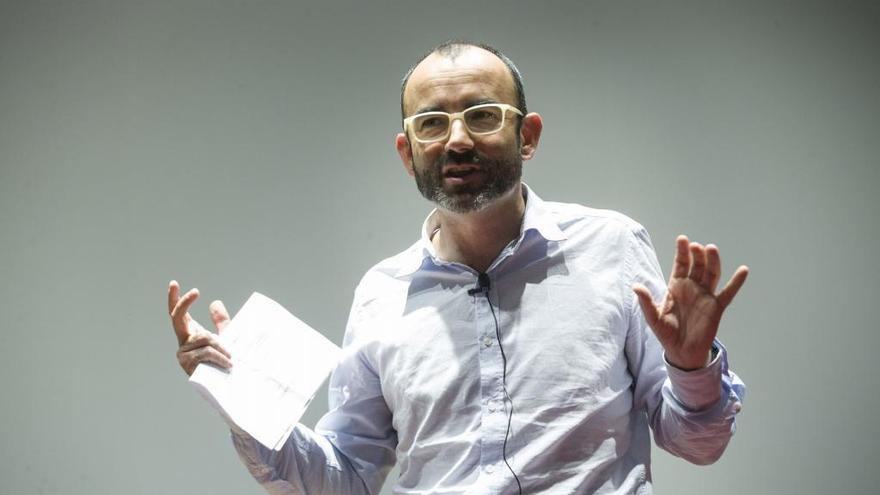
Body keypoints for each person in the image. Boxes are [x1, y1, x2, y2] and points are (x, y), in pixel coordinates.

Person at [168, 41, 748, 494]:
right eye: (432, 123)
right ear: (407, 152)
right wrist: (245, 408)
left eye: (483, 114)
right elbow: (344, 480)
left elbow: (697, 443)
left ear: (529, 136)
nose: (458, 139)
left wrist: (689, 364)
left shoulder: (611, 247)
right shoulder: (382, 294)